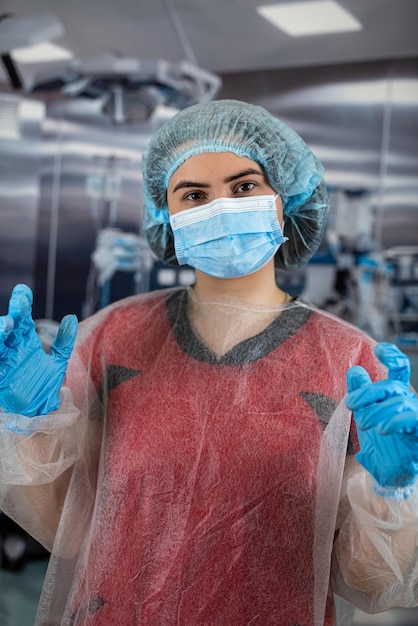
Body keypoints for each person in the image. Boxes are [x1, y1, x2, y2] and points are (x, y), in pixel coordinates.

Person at [0, 99, 418, 626]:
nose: (219, 207)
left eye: (244, 187)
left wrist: (392, 494)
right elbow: (69, 526)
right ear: (167, 217)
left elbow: (370, 582)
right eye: (194, 194)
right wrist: (30, 426)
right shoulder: (115, 336)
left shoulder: (351, 362)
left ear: (283, 200)